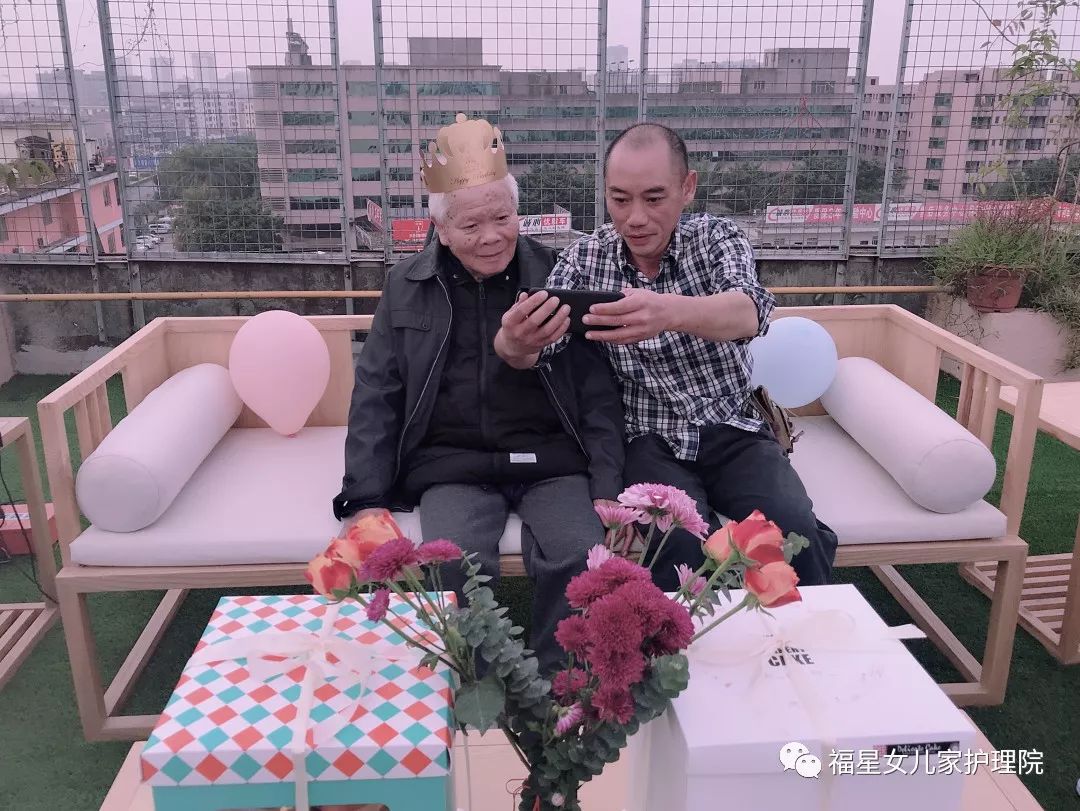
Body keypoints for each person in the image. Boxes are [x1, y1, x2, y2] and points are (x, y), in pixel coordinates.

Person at [331, 114, 623, 673]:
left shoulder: (559, 274)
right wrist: (365, 497)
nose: (491, 236)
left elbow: (597, 390)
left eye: (503, 218)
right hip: (453, 464)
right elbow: (377, 393)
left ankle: (559, 692)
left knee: (579, 557)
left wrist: (608, 484)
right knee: (452, 565)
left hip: (549, 458)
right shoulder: (406, 285)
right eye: (471, 225)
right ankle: (477, 688)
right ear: (441, 229)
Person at [494, 122, 838, 591]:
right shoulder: (585, 260)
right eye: (619, 199)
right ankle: (687, 636)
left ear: (687, 187)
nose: (635, 218)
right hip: (646, 440)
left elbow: (749, 311)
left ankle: (803, 631)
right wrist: (514, 343)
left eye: (654, 198)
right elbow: (539, 350)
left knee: (792, 530)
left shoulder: (716, 238)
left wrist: (667, 312)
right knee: (674, 546)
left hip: (732, 428)